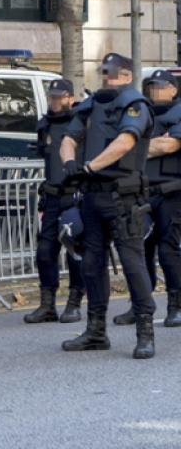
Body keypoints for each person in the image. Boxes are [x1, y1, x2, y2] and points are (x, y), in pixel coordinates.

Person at [60, 53, 157, 359]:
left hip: (124, 197)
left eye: (112, 74)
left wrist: (89, 167)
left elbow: (125, 142)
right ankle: (96, 331)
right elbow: (68, 137)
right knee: (90, 264)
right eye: (103, 73)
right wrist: (70, 164)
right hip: (92, 197)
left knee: (132, 264)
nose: (106, 79)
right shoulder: (90, 105)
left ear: (127, 76)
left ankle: (145, 332)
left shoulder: (136, 105)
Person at [120, 69, 181, 328]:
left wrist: (138, 146)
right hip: (142, 191)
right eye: (151, 85)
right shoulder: (142, 111)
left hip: (172, 193)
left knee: (169, 251)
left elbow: (170, 146)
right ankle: (140, 305)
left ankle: (176, 307)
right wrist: (153, 144)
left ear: (174, 89)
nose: (155, 90)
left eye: (161, 85)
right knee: (138, 250)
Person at [23, 79, 86, 324]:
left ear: (70, 97)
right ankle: (47, 305)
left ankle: (74, 303)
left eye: (60, 97)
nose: (55, 101)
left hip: (74, 195)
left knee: (74, 250)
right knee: (45, 252)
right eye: (52, 97)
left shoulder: (81, 121)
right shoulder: (45, 124)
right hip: (51, 195)